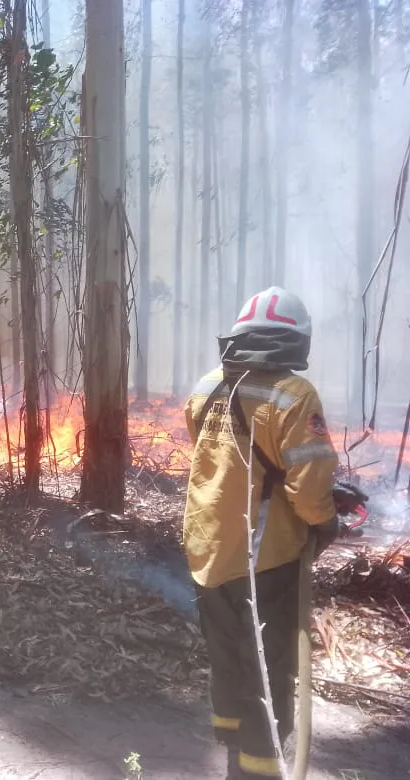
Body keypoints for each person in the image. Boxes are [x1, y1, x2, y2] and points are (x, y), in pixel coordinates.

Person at [183, 286, 347, 779]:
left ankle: (230, 736)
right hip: (264, 557)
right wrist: (326, 522)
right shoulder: (294, 396)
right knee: (269, 669)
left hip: (208, 545)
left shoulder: (206, 384)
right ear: (295, 342)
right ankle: (259, 766)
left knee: (227, 652)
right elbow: (309, 482)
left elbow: (214, 454)